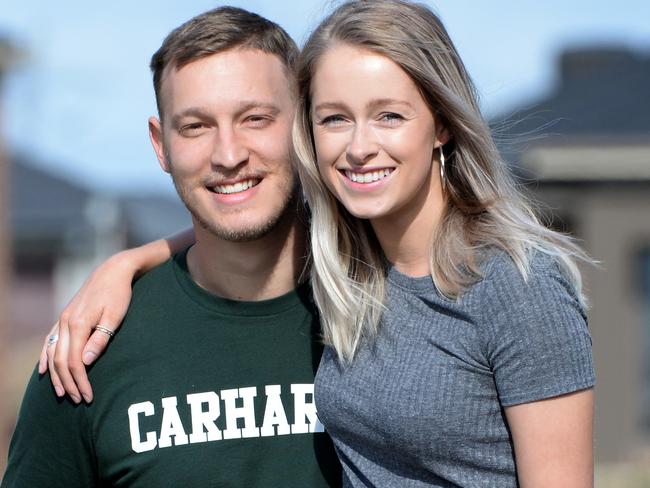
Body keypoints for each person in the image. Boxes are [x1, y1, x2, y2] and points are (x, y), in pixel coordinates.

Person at [38, 1, 596, 486]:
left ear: (441, 123)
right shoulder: (353, 266)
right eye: (334, 119)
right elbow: (240, 222)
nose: (359, 146)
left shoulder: (517, 284)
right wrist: (131, 261)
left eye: (390, 116)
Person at [2, 7, 341, 487]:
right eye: (196, 127)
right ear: (161, 145)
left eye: (255, 118)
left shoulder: (390, 308)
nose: (229, 154)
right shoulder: (88, 350)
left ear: (304, 123)